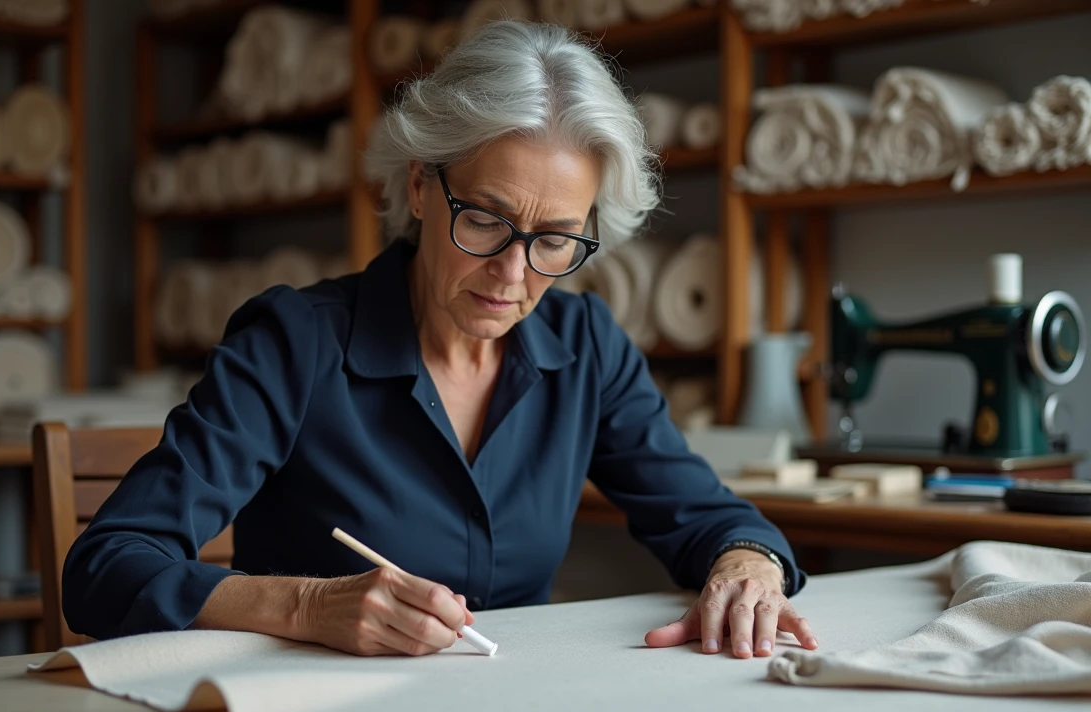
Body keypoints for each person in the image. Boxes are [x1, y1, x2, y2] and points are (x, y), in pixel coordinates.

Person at [64, 20, 818, 661]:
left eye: (555, 239)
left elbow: (709, 517)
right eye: (485, 219)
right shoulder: (295, 343)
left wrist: (746, 566)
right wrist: (306, 608)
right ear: (422, 188)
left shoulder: (584, 345)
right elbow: (105, 567)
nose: (513, 273)